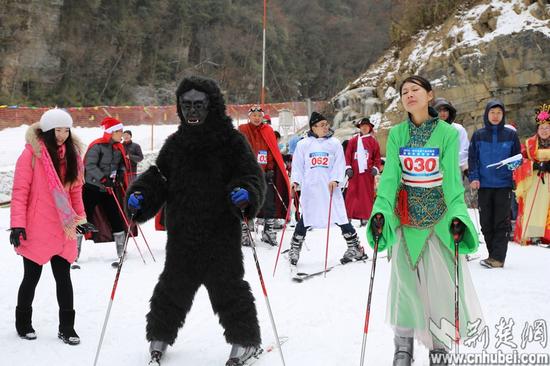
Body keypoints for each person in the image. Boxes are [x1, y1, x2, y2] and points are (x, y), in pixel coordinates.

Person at [125, 76, 266, 366]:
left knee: (228, 287)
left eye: (198, 105)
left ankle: (246, 341)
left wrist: (246, 194)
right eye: (186, 105)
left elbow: (252, 176)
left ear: (212, 106)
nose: (192, 111)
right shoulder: (176, 144)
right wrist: (140, 193)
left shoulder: (232, 142)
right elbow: (159, 177)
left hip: (219, 233)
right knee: (172, 287)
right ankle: (159, 336)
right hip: (183, 233)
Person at [366, 76, 482, 365]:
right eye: (404, 92)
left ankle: (439, 348)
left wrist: (457, 216)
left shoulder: (447, 133)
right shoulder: (396, 134)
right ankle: (402, 348)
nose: (409, 95)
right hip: (406, 222)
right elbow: (391, 178)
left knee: (440, 289)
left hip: (438, 223)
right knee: (404, 288)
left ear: (430, 95)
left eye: (415, 90)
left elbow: (453, 183)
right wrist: (381, 211)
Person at [10, 108, 96, 345]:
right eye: (57, 130)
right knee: (31, 278)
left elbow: (76, 191)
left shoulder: (73, 156)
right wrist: (18, 225)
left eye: (66, 130)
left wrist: (81, 220)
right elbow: (20, 192)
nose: (62, 135)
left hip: (63, 226)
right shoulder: (31, 155)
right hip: (36, 227)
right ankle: (23, 323)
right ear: (47, 131)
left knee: (64, 278)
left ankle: (67, 328)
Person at [288, 112, 366, 266]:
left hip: (330, 188)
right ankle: (294, 249)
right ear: (313, 127)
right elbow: (297, 165)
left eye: (326, 124)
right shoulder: (303, 144)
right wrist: (295, 181)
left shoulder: (334, 143)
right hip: (311, 188)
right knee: (306, 218)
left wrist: (336, 178)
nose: (326, 127)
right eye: (322, 125)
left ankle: (355, 247)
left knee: (340, 217)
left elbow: (339, 163)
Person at [468, 100, 521, 268]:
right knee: (485, 222)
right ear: (487, 114)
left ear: (503, 115)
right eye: (493, 113)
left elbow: (517, 159)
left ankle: (498, 258)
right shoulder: (479, 135)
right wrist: (474, 178)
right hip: (483, 185)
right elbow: (473, 159)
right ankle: (493, 255)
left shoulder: (511, 135)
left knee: (501, 222)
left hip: (503, 185)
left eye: (499, 113)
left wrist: (510, 167)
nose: (496, 116)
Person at [82, 117, 132, 266]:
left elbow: (122, 164)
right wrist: (103, 179)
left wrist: (121, 174)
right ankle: (73, 253)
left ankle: (121, 251)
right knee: (83, 219)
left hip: (108, 190)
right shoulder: (97, 146)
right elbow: (89, 165)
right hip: (92, 188)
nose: (121, 135)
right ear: (111, 132)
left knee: (115, 217)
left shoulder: (118, 147)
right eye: (119, 132)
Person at [238, 105, 290, 246]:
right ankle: (245, 230)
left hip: (264, 173)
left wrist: (271, 169)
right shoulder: (243, 129)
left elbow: (271, 152)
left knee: (269, 202)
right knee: (246, 201)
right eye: (254, 115)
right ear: (249, 117)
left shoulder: (268, 130)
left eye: (259, 116)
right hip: (248, 173)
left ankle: (269, 230)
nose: (257, 118)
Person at [513, 104, 550, 245]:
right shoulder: (529, 144)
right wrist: (534, 165)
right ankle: (534, 234)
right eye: (542, 128)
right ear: (537, 129)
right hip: (535, 180)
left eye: (547, 128)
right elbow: (520, 160)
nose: (544, 131)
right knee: (536, 206)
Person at [344, 117, 382, 226]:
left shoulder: (373, 142)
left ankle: (365, 216)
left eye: (366, 126)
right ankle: (348, 215)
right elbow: (347, 155)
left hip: (367, 173)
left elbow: (377, 157)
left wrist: (375, 168)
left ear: (370, 128)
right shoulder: (353, 141)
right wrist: (348, 167)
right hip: (354, 173)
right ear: (360, 128)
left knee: (366, 195)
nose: (364, 128)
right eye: (362, 126)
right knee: (352, 194)